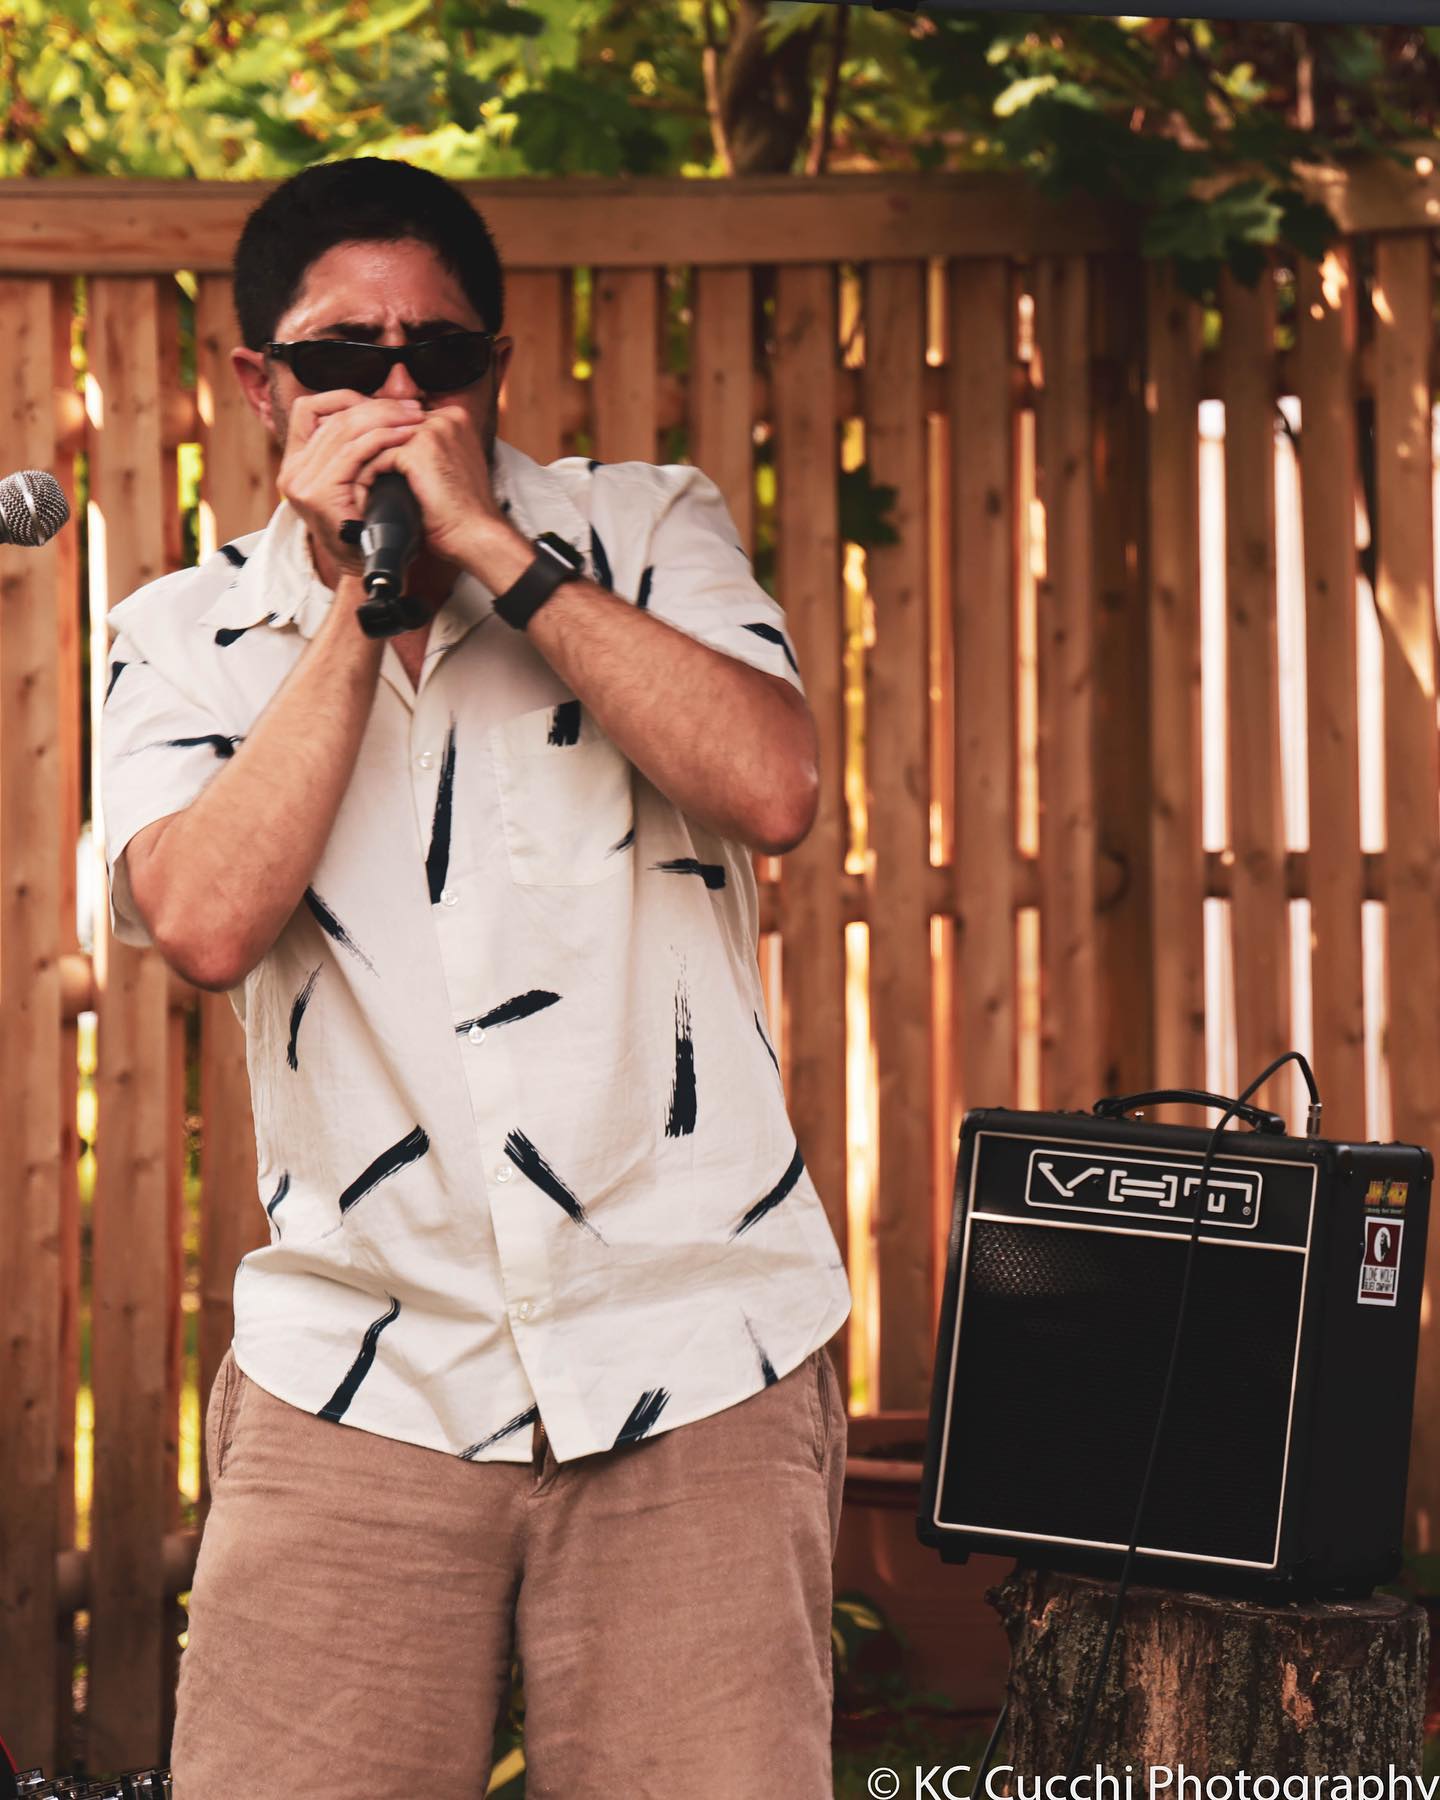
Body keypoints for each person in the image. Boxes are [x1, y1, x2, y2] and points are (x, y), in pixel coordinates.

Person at [99, 157, 852, 1798]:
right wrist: (363, 606)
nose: (395, 392)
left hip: (695, 1353)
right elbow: (207, 921)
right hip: (356, 1376)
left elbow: (777, 786)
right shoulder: (173, 636)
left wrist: (494, 553)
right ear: (256, 383)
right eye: (342, 360)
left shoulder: (649, 529)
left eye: (438, 359)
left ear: (493, 368)